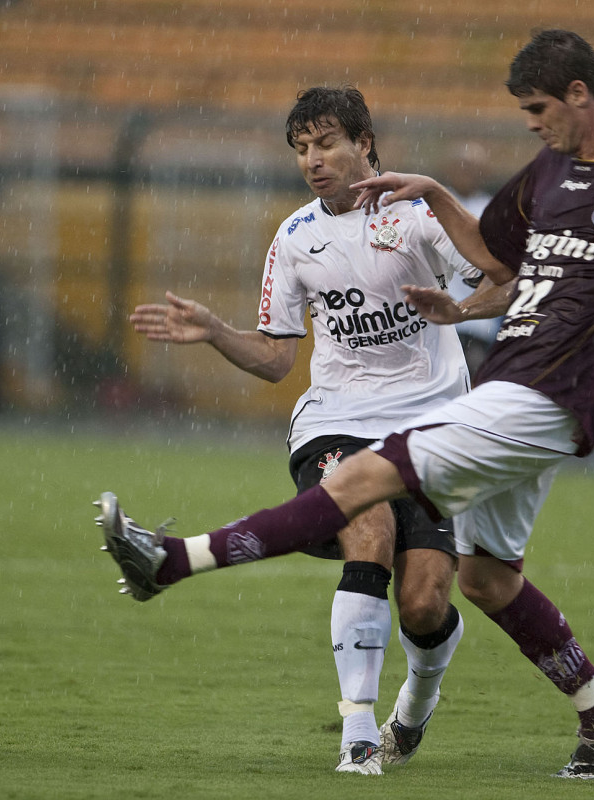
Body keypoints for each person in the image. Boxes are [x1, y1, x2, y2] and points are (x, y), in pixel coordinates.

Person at [98, 30, 594, 778]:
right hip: (508, 386)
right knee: (483, 580)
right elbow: (495, 263)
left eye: (538, 112)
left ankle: (173, 562)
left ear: (579, 94)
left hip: (536, 398)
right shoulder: (543, 177)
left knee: (363, 491)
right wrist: (445, 223)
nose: (532, 128)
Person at [123, 86, 499, 774]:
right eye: (301, 148)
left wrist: (461, 306)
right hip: (337, 421)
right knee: (371, 528)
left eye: (325, 143)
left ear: (364, 142)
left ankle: (415, 702)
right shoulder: (296, 239)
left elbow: (503, 282)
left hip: (435, 425)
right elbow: (274, 359)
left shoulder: (417, 218)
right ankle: (357, 732)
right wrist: (213, 332)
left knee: (423, 603)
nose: (312, 160)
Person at [440, 141, 500, 373]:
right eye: (462, 166)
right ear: (450, 168)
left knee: (474, 379)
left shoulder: (492, 209)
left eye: (472, 167)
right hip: (440, 317)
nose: (466, 173)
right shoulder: (432, 205)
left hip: (478, 322)